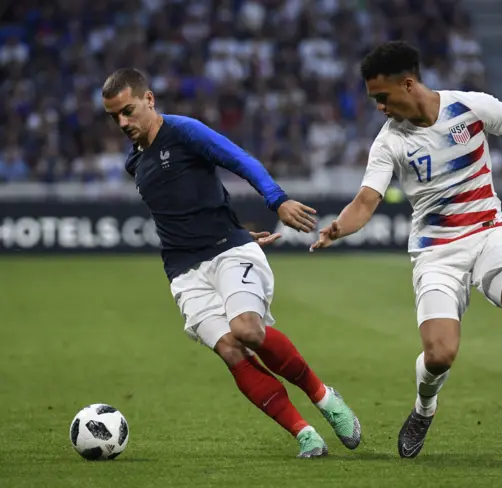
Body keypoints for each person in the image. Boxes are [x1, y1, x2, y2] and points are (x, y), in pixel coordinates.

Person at [310, 41, 502, 458]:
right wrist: (336, 229)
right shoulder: (389, 142)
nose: (379, 107)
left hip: (488, 233)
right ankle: (424, 409)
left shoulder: (469, 107)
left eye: (382, 97)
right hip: (436, 253)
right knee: (441, 354)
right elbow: (366, 202)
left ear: (408, 84)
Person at [102, 68, 361, 458]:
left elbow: (240, 160)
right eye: (114, 117)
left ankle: (324, 397)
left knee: (247, 330)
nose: (122, 122)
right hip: (183, 271)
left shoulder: (184, 131)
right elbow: (178, 211)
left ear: (149, 99)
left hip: (228, 251)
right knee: (230, 350)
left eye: (128, 110)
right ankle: (303, 432)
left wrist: (277, 200)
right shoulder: (135, 164)